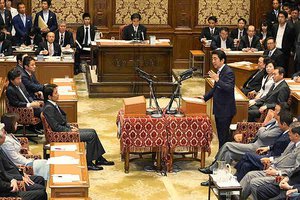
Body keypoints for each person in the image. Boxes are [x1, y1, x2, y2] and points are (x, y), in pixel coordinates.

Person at [199, 110, 287, 185]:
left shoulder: (279, 127)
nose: (273, 112)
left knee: (227, 145)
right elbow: (261, 129)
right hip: (255, 143)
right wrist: (262, 129)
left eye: (276, 110)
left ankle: (213, 168)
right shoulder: (273, 121)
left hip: (257, 147)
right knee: (228, 154)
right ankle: (218, 179)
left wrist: (262, 129)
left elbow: (263, 133)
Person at [42, 84, 115, 171]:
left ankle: (99, 158)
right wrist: (69, 130)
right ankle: (88, 163)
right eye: (56, 93)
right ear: (49, 96)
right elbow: (56, 127)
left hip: (64, 130)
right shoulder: (48, 108)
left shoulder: (52, 104)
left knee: (93, 131)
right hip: (59, 135)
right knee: (91, 136)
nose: (58, 94)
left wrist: (70, 126)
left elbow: (60, 121)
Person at [240, 121, 300, 200]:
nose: (288, 135)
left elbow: (296, 169)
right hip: (275, 168)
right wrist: (272, 164)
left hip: (283, 176)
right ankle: (235, 197)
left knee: (254, 182)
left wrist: (277, 172)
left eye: (290, 133)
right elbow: (282, 157)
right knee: (249, 175)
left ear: (296, 135)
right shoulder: (292, 143)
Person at [235, 108, 292, 181]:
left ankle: (234, 177)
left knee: (247, 155)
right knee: (246, 165)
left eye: (278, 122)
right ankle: (237, 183)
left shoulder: (287, 137)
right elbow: (276, 145)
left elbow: (283, 155)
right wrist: (268, 148)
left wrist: (270, 159)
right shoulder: (284, 132)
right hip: (268, 155)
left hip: (270, 161)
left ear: (284, 124)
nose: (277, 123)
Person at [198, 50, 236, 149]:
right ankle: (223, 157)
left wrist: (217, 79)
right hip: (220, 109)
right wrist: (204, 97)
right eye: (212, 59)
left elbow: (229, 88)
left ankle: (221, 159)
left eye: (215, 59)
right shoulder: (220, 71)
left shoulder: (228, 72)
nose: (213, 61)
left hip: (225, 110)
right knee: (221, 136)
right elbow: (215, 89)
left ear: (222, 60)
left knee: (223, 137)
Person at [0, 124, 47, 198]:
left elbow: (9, 166)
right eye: (2, 131)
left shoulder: (0, 148)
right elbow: (4, 173)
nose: (5, 133)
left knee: (40, 179)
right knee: (41, 192)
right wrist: (16, 179)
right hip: (8, 189)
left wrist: (21, 174)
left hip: (12, 177)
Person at [0, 113, 49, 180]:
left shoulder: (10, 134)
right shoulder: (6, 141)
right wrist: (29, 161)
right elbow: (15, 159)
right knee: (46, 165)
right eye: (15, 122)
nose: (17, 123)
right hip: (21, 165)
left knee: (46, 163)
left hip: (24, 160)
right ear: (10, 124)